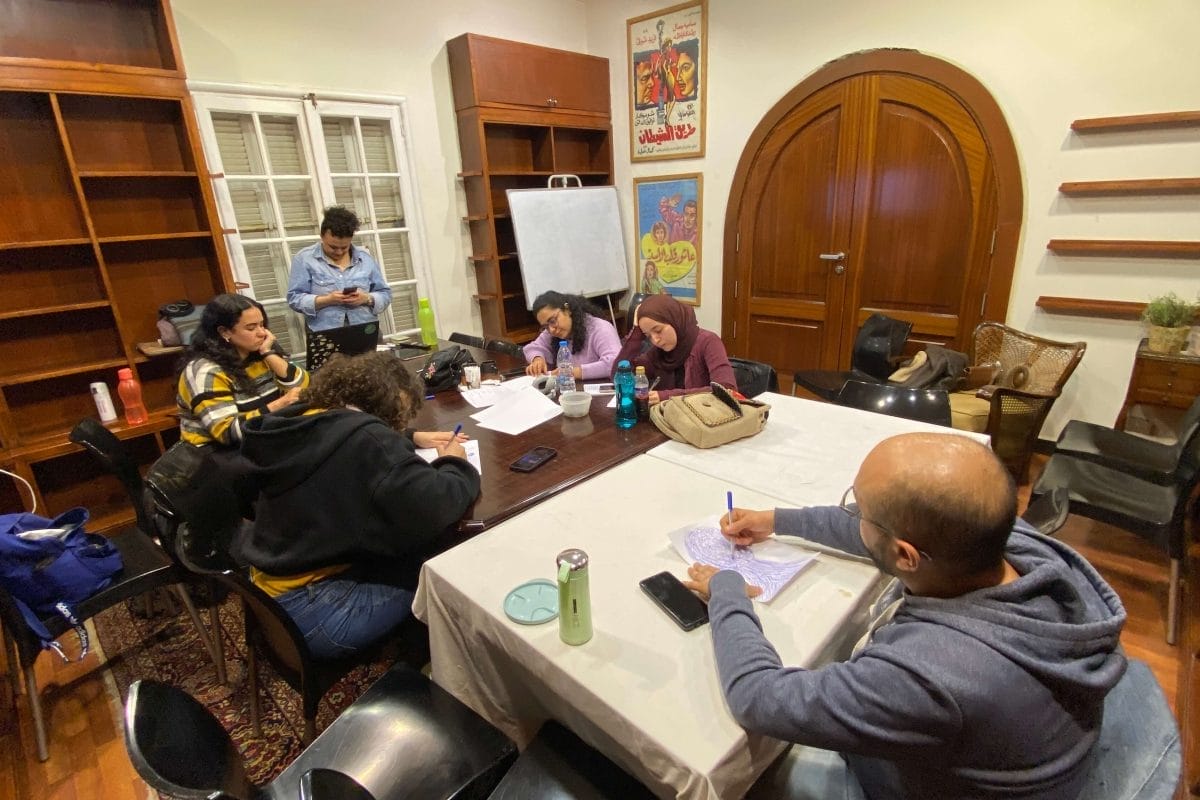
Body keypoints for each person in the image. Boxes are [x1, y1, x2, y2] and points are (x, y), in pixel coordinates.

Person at [684, 433, 1126, 800]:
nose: (853, 515)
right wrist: (775, 519)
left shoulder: (932, 676)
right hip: (1013, 753)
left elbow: (759, 698)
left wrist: (727, 592)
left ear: (906, 556)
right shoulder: (1006, 542)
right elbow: (886, 534)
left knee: (754, 768)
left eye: (859, 508)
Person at [232, 351, 476, 659]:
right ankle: (426, 670)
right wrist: (454, 463)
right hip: (318, 613)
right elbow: (437, 503)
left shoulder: (298, 418)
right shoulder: (366, 441)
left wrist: (411, 437)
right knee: (444, 572)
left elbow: (340, 435)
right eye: (395, 416)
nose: (397, 423)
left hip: (271, 594)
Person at [176, 293, 308, 449]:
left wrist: (269, 353)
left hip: (263, 439)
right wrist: (280, 404)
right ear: (225, 332)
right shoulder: (206, 370)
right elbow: (227, 433)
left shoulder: (260, 354)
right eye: (251, 327)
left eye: (262, 325)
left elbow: (302, 386)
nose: (262, 333)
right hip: (217, 453)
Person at [286, 205, 391, 342]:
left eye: (344, 247)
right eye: (333, 247)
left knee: (373, 364)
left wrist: (366, 298)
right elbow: (294, 298)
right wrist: (327, 300)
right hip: (326, 334)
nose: (339, 252)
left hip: (366, 330)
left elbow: (385, 294)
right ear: (322, 236)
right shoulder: (305, 259)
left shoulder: (365, 259)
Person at [614, 293, 735, 404]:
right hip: (668, 420)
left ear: (674, 320)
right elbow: (618, 375)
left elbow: (726, 389)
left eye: (658, 330)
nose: (655, 340)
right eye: (648, 336)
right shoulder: (658, 352)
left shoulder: (708, 341)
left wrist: (667, 396)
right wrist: (636, 334)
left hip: (704, 420)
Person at [523, 291, 621, 380]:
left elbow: (616, 363)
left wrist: (572, 372)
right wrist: (537, 359)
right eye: (545, 326)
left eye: (552, 321)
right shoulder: (552, 331)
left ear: (567, 309)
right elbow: (533, 347)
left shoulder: (599, 328)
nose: (551, 329)